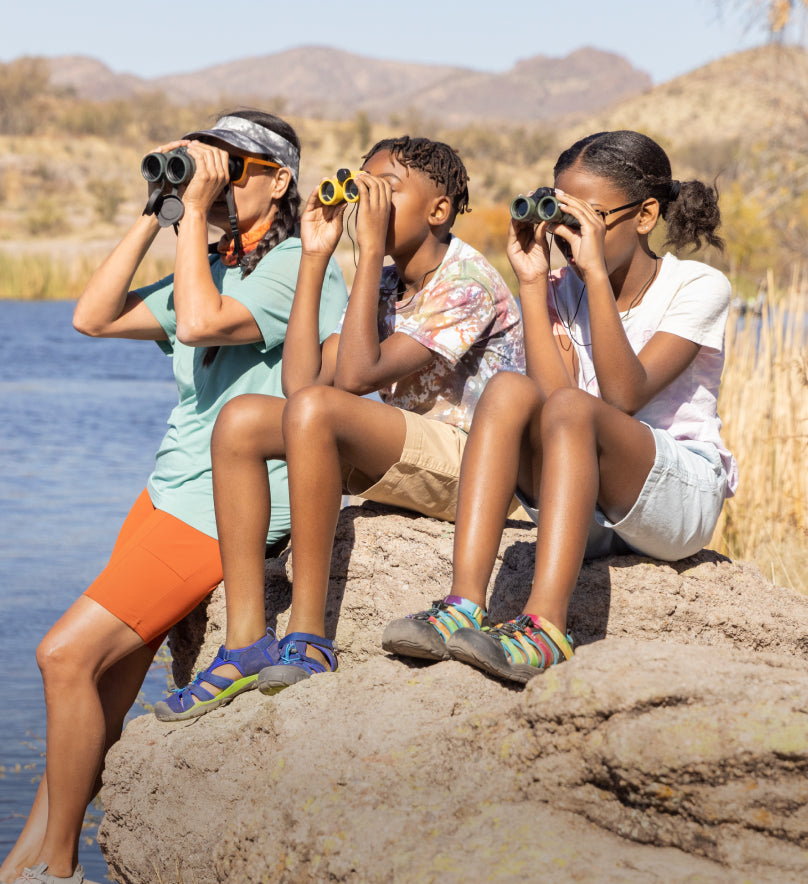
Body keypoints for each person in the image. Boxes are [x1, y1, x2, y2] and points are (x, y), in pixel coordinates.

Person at [1, 110, 347, 884]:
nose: (218, 181)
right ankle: (26, 858)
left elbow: (196, 324)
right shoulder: (212, 258)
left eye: (236, 168)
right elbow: (90, 318)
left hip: (216, 511)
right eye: (206, 164)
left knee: (60, 656)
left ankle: (55, 870)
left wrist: (192, 215)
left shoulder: (294, 265)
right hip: (164, 495)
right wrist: (159, 210)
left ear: (280, 181)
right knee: (95, 693)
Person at [155, 135, 524, 715]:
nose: (368, 203)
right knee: (241, 422)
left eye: (388, 191)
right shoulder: (384, 280)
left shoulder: (466, 279)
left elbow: (353, 377)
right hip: (405, 447)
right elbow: (300, 384)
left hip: (475, 467)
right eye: (364, 189)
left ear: (439, 210)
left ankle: (310, 635)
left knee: (318, 411)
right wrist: (315, 255)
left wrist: (370, 249)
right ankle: (246, 640)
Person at [383, 129, 738, 684]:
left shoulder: (697, 286)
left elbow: (623, 397)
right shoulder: (554, 287)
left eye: (586, 218)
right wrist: (529, 283)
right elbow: (546, 405)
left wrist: (594, 274)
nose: (569, 236)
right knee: (506, 390)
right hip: (585, 500)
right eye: (560, 216)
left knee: (576, 407)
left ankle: (547, 626)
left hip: (675, 496)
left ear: (645, 215)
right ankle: (463, 604)